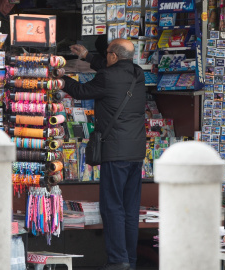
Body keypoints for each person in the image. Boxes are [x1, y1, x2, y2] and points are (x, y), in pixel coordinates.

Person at [63, 39, 146, 270]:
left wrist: (59, 78)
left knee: (112, 207)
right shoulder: (138, 74)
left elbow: (80, 90)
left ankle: (118, 260)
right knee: (130, 209)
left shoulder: (107, 78)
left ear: (114, 56)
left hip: (115, 152)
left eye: (107, 53)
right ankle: (130, 259)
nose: (105, 57)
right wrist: (87, 56)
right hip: (136, 153)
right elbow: (108, 67)